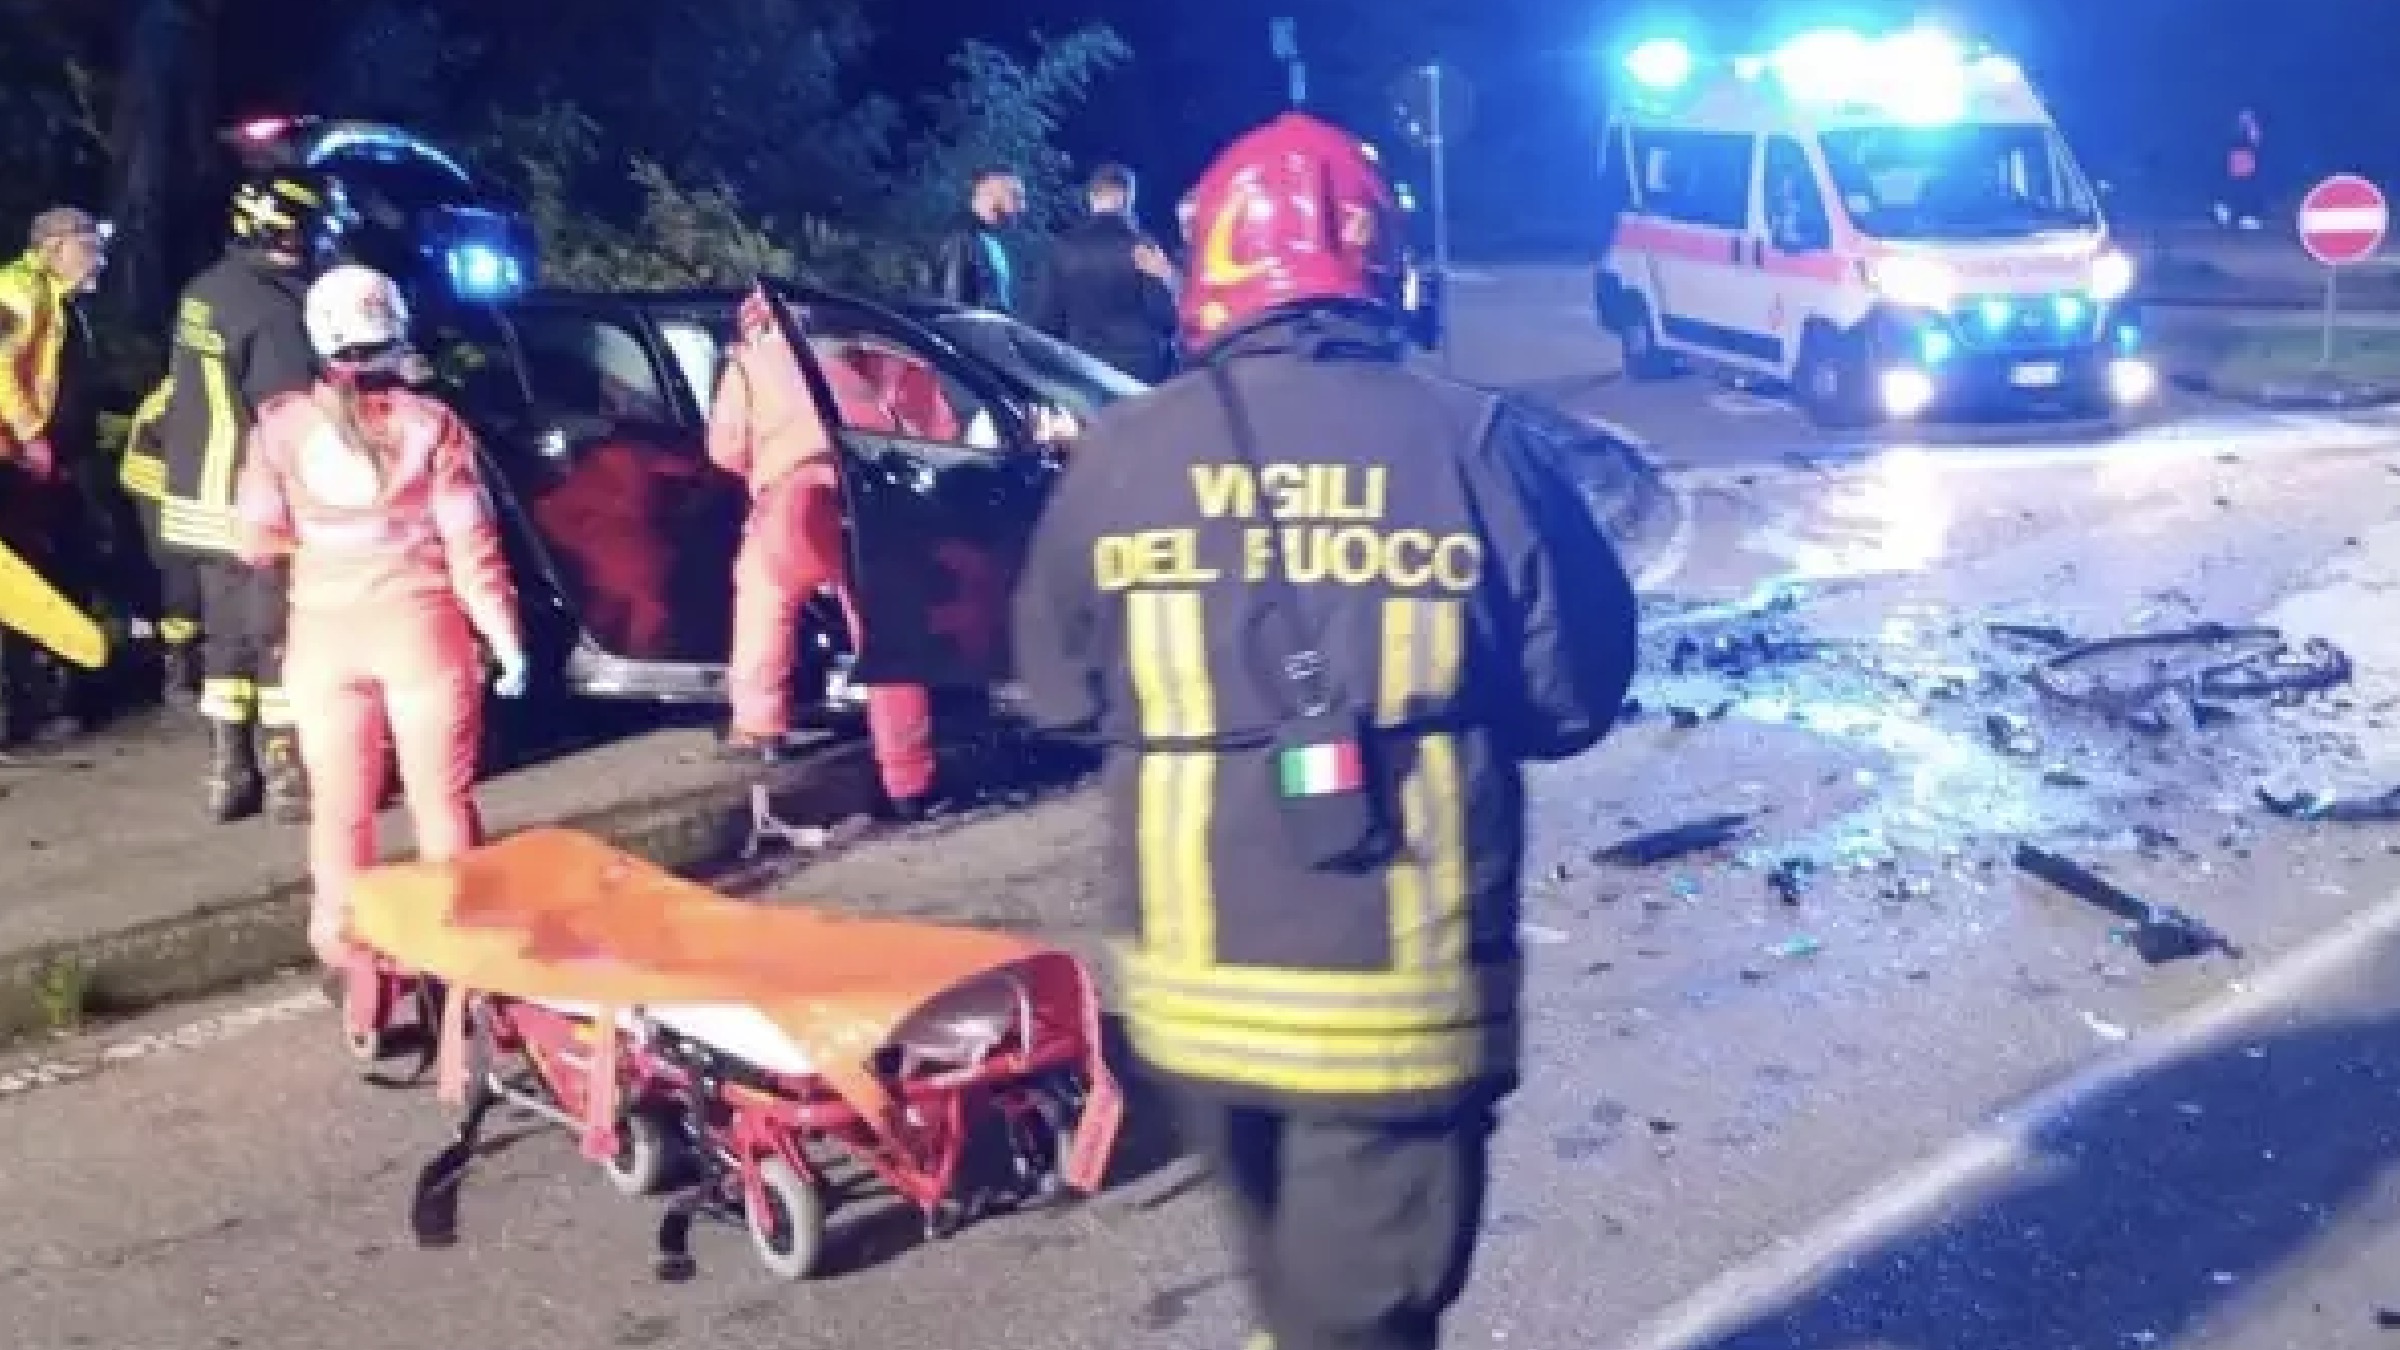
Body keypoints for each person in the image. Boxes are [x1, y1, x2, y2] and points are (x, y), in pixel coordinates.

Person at [1009, 112, 1642, 1350]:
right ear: (1381, 263)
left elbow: (1059, 692)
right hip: (1397, 1005)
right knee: (1363, 1324)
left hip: (1191, 1002)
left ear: (1209, 275)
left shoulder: (1123, 453)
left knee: (1302, 1307)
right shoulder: (1478, 444)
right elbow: (1575, 700)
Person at [232, 264, 527, 971]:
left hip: (324, 640)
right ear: (395, 330)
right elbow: (471, 543)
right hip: (421, 634)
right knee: (441, 801)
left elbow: (253, 540)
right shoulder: (433, 426)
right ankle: (463, 944)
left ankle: (345, 949)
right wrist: (504, 635)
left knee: (341, 808)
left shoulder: (278, 426)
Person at [154, 171, 346, 821]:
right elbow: (286, 413)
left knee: (227, 640)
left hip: (199, 502)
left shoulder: (207, 291)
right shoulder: (274, 308)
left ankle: (229, 773)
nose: (311, 239)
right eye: (300, 227)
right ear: (270, 228)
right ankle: (290, 773)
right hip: (256, 502)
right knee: (278, 638)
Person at [707, 288, 939, 820]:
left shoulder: (751, 364)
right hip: (867, 494)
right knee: (885, 636)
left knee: (764, 600)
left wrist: (758, 472)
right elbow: (932, 426)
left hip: (792, 498)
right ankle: (908, 777)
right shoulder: (869, 352)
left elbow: (724, 449)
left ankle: (761, 727)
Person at [0, 207, 110, 741]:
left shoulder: (57, 302)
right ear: (52, 248)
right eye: (86, 244)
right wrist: (28, 437)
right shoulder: (20, 293)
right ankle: (31, 699)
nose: (97, 256)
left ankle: (44, 693)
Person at [1028, 163, 1182, 384]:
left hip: (1085, 367)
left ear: (1091, 197)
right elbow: (1164, 318)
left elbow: (1046, 321)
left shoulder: (1062, 248)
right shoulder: (1143, 246)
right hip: (1141, 370)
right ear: (1129, 198)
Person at [932, 167, 1025, 313]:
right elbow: (951, 307)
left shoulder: (987, 240)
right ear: (991, 188)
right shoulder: (961, 235)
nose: (1023, 207)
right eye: (1016, 195)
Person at [2218, 108, 2263, 231]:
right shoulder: (2234, 128)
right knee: (2235, 187)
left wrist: (2252, 127)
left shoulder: (2252, 127)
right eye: (2244, 115)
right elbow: (2230, 144)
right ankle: (2226, 212)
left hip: (2246, 159)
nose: (2246, 117)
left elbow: (2255, 142)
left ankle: (2244, 216)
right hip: (2237, 158)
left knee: (2246, 187)